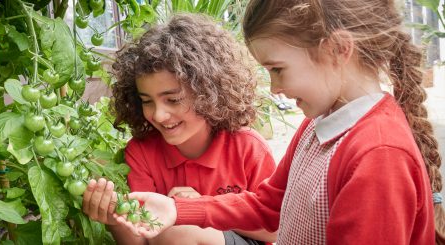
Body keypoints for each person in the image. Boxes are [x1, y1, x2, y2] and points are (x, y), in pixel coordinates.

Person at [110, 0, 445, 244]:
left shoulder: (378, 155)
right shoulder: (319, 125)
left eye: (278, 69)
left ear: (338, 50)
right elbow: (269, 206)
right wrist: (176, 209)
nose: (275, 88)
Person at [82, 13, 277, 245]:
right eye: (147, 101)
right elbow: (140, 241)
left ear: (208, 92)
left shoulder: (248, 148)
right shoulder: (141, 152)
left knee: (179, 232)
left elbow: (275, 229)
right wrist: (113, 217)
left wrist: (196, 209)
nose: (159, 114)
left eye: (173, 100)